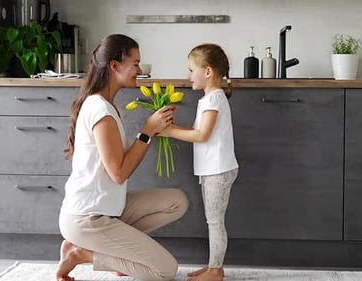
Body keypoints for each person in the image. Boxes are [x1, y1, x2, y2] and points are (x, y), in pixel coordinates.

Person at [56, 34, 189, 281]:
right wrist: (148, 131)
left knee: (177, 201)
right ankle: (82, 253)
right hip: (87, 218)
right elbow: (118, 173)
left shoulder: (108, 105)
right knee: (165, 271)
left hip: (106, 209)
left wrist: (154, 131)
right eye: (135, 63)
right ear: (115, 66)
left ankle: (117, 254)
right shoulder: (100, 111)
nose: (139, 70)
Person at [159, 43, 239, 281]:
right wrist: (171, 128)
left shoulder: (214, 99)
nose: (188, 76)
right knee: (212, 220)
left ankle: (215, 270)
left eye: (191, 70)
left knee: (215, 221)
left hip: (219, 170)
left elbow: (201, 135)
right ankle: (213, 267)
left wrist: (169, 133)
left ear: (208, 72)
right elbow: (197, 132)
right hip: (212, 169)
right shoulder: (209, 99)